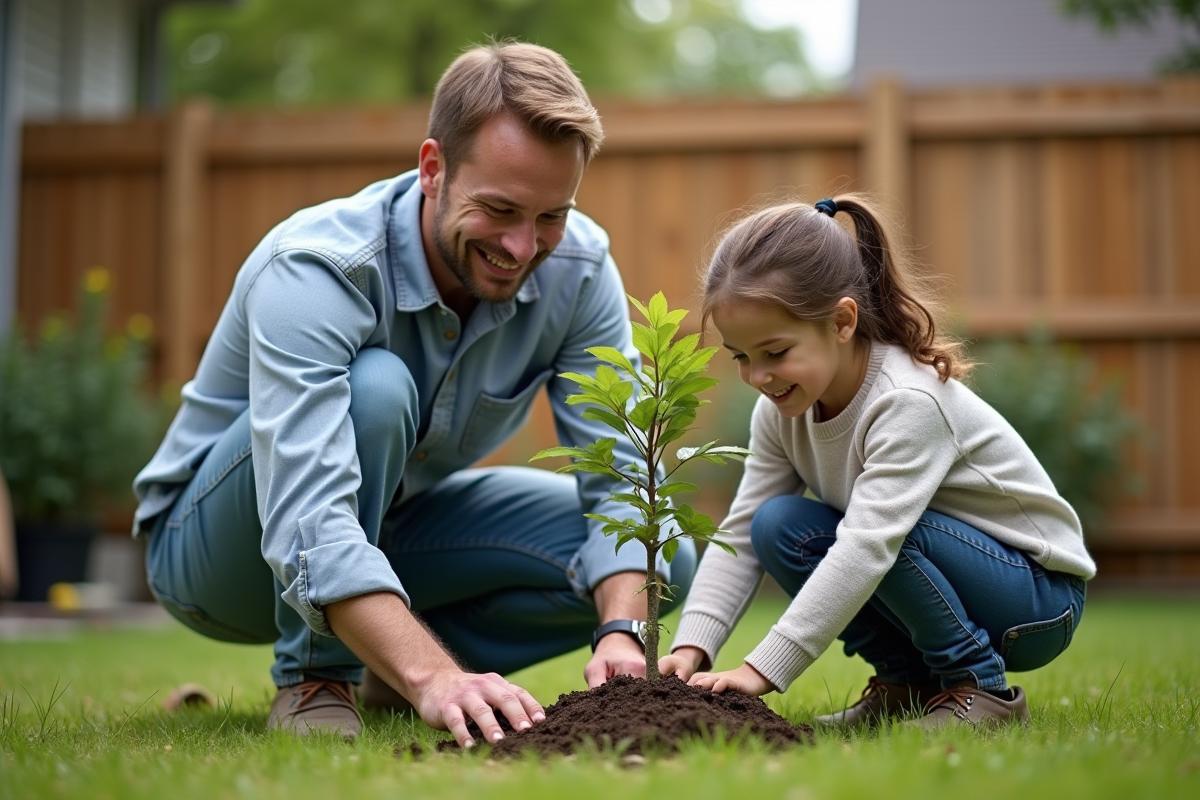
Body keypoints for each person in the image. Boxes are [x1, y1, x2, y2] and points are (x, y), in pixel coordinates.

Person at [132, 41, 695, 746]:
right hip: (221, 555)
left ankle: (387, 666)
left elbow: (619, 476)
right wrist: (438, 678)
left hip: (398, 527)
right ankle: (317, 677)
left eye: (551, 215)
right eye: (500, 209)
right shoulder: (319, 268)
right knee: (374, 389)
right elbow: (308, 514)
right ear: (433, 169)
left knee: (654, 550)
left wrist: (621, 631)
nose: (525, 248)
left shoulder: (578, 271)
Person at [658, 195, 1093, 728]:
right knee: (777, 525)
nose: (757, 377)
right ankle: (905, 684)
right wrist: (692, 646)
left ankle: (982, 689)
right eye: (742, 357)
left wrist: (762, 669)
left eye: (775, 352)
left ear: (842, 322)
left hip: (1036, 601)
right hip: (945, 570)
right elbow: (745, 531)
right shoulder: (780, 411)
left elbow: (868, 545)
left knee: (881, 533)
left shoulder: (906, 401)